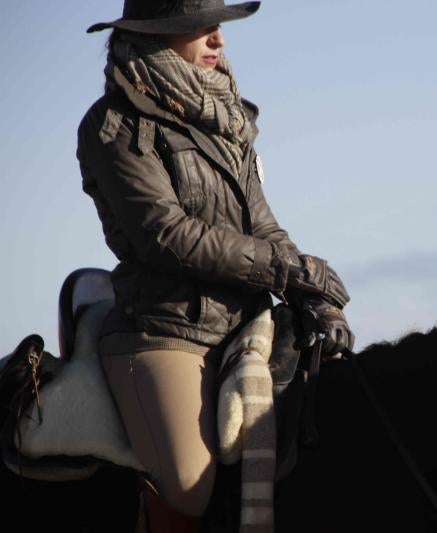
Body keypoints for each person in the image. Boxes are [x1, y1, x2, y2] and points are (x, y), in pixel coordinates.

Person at [77, 1, 354, 531]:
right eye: (201, 29)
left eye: (218, 28)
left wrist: (312, 291)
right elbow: (167, 236)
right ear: (157, 35)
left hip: (249, 323)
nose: (218, 42)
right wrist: (287, 271)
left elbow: (263, 227)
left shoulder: (229, 120)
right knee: (189, 482)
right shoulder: (113, 124)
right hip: (163, 330)